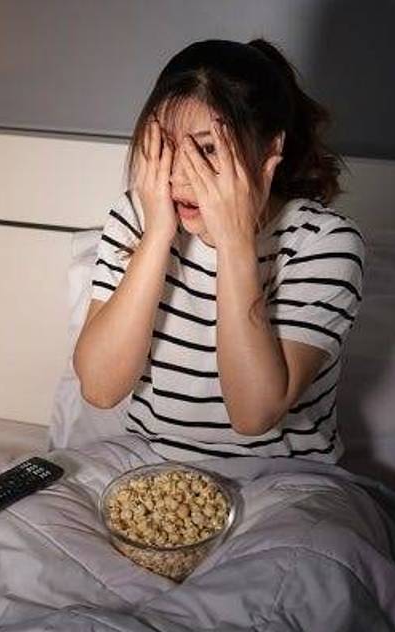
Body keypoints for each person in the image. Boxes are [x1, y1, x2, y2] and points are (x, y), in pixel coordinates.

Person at [72, 38, 365, 465]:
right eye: (167, 145)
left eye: (207, 149)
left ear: (270, 150)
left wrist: (234, 241)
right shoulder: (138, 216)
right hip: (151, 467)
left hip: (283, 479)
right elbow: (99, 388)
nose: (179, 174)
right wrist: (156, 235)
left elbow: (254, 414)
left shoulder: (325, 242)